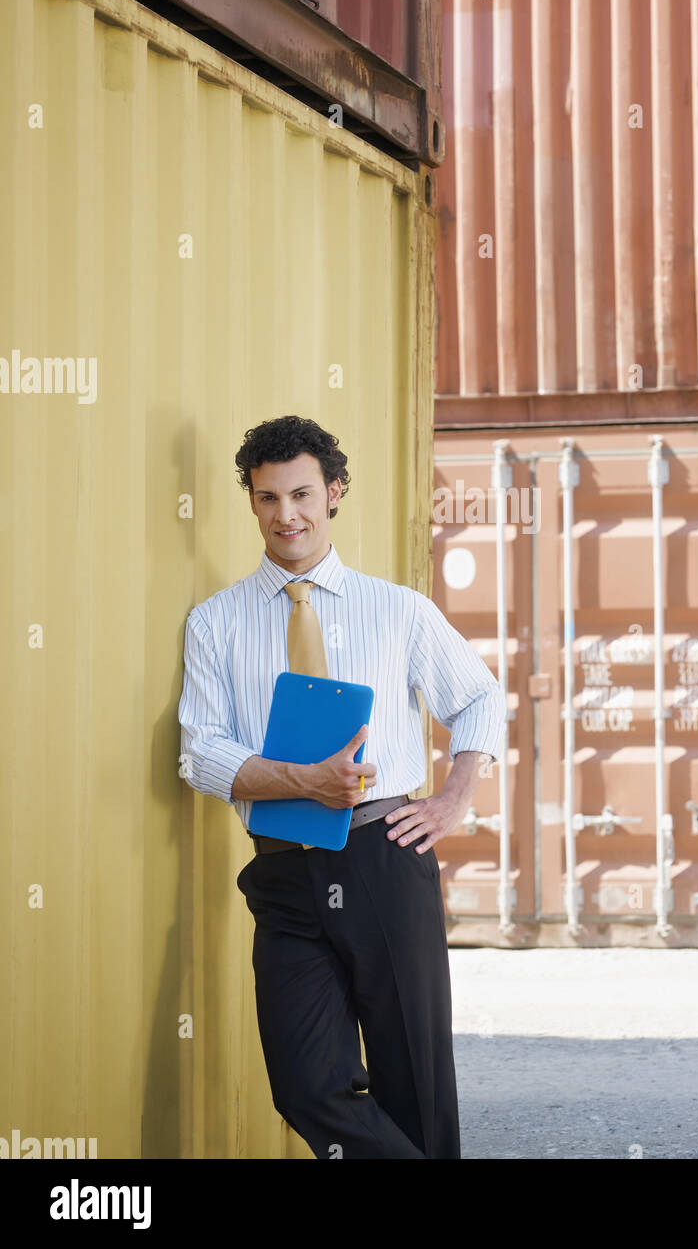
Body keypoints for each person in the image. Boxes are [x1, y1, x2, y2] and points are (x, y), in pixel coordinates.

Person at [177, 415, 506, 1159]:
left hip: (383, 855)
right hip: (284, 869)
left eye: (299, 494)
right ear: (252, 503)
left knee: (413, 1079)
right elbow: (200, 754)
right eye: (266, 499)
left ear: (333, 492)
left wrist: (454, 798)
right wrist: (303, 780)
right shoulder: (216, 623)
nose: (285, 515)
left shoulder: (397, 610)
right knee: (305, 1084)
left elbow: (480, 698)